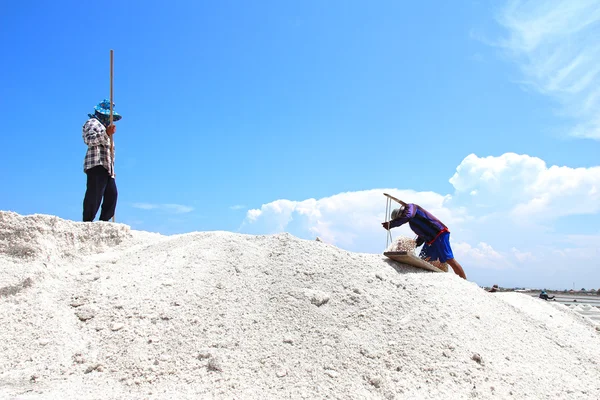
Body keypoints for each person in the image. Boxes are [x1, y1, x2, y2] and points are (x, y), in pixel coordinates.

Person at [381, 203, 467, 280]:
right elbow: (422, 234)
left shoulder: (411, 207)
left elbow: (408, 216)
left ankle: (464, 281)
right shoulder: (412, 222)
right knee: (424, 260)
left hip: (440, 233)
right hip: (431, 240)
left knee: (449, 260)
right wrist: (415, 244)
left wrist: (391, 224)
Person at [82, 99, 122, 222]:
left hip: (107, 167)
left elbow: (110, 152)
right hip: (96, 163)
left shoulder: (105, 128)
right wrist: (106, 134)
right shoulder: (92, 123)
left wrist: (112, 169)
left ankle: (104, 221)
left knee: (112, 194)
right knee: (95, 194)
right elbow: (89, 140)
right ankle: (87, 221)